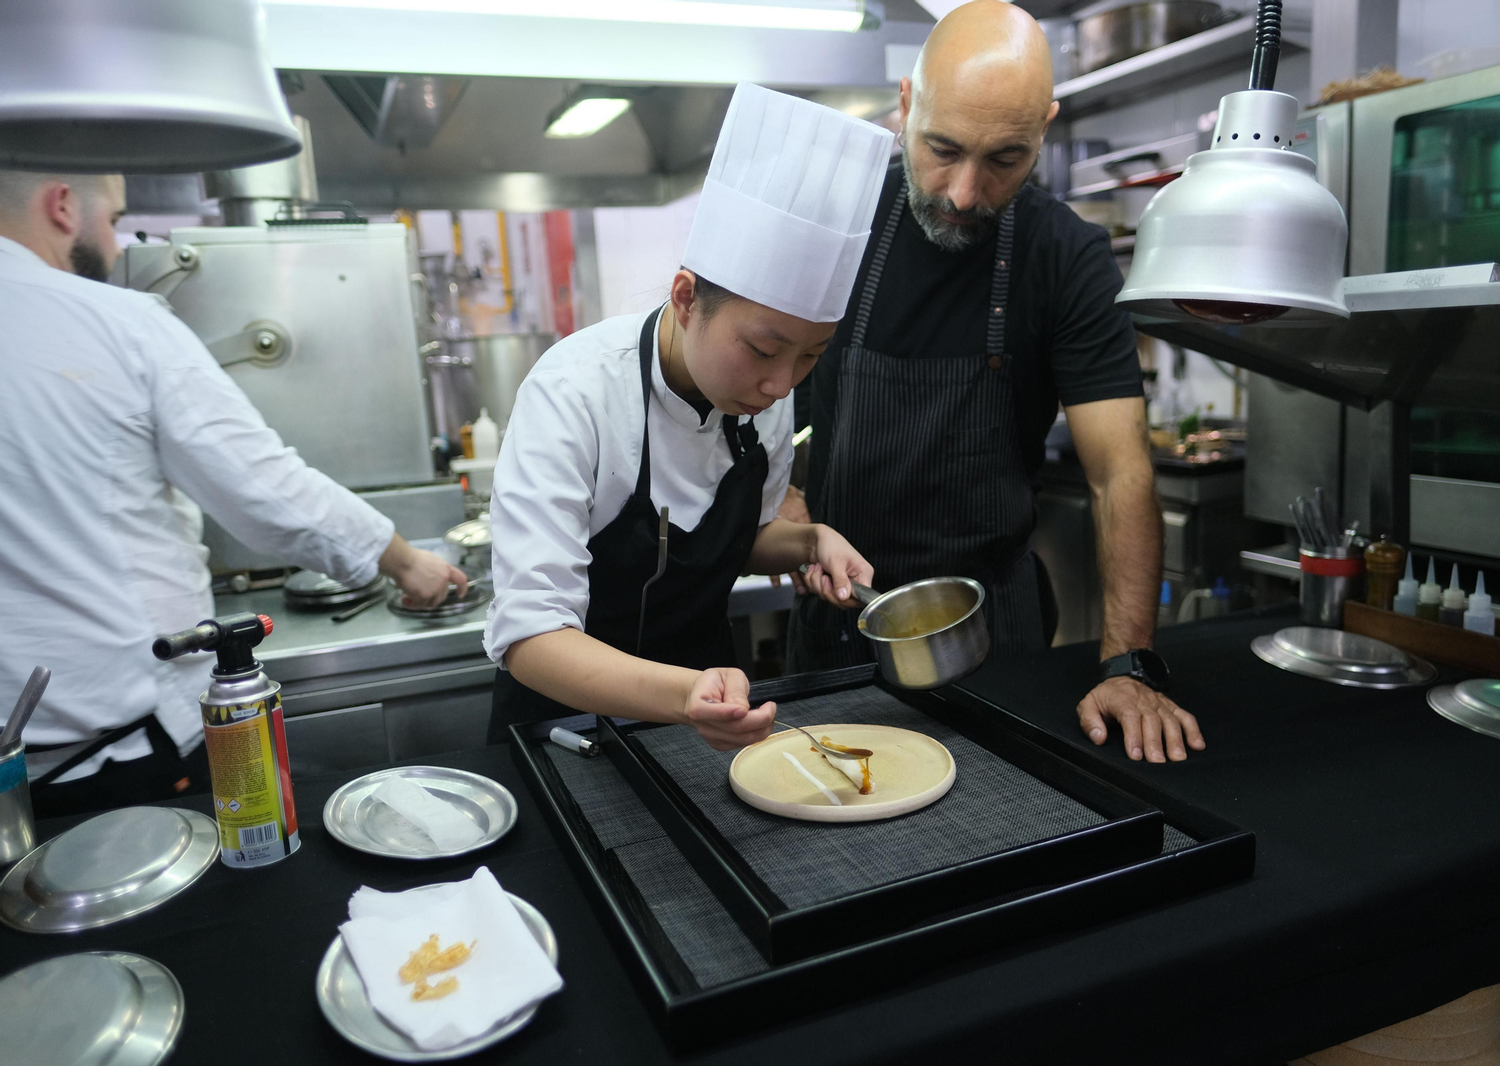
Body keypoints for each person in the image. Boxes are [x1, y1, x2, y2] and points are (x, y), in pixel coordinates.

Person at [787, 0, 1206, 763]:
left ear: (1044, 129)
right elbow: (763, 405)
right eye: (942, 149)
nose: (964, 192)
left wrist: (1128, 663)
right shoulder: (835, 222)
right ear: (906, 107)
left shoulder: (1067, 257)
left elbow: (1119, 474)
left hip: (992, 640)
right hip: (841, 627)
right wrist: (787, 512)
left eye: (1005, 160)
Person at [0, 170, 469, 818]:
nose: (114, 247)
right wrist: (406, 561)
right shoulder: (115, 323)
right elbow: (264, 489)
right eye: (113, 220)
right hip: (123, 755)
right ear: (61, 207)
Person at [485, 82, 891, 751]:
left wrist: (810, 541)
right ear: (684, 298)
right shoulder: (575, 391)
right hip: (562, 734)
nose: (779, 384)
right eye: (763, 350)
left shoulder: (762, 395)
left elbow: (728, 540)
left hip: (701, 735)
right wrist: (684, 695)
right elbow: (531, 638)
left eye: (811, 356)